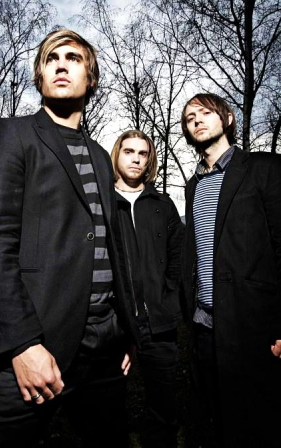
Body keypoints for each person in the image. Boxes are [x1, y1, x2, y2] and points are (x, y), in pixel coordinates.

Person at [0, 29, 138, 448]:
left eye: (73, 58)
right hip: (36, 344)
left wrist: (127, 329)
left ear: (90, 78)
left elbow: (111, 247)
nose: (60, 65)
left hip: (105, 345)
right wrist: (20, 343)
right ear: (40, 76)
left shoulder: (100, 155)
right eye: (50, 59)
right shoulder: (10, 134)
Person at [180, 93, 281, 448]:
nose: (197, 119)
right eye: (189, 117)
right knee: (214, 426)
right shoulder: (193, 186)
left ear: (228, 119)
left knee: (258, 427)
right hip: (204, 329)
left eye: (205, 112)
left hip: (254, 328)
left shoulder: (265, 168)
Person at [111, 130, 184, 448]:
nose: (136, 159)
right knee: (108, 409)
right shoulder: (102, 203)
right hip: (113, 323)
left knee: (164, 407)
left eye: (143, 153)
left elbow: (178, 257)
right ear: (117, 154)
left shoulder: (162, 205)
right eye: (129, 151)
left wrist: (168, 298)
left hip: (159, 322)